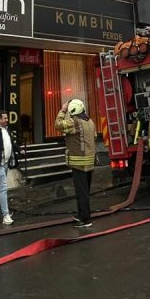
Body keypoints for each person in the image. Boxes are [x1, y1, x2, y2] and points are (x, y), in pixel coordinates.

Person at [55, 98, 96, 229]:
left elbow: (58, 125)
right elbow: (93, 137)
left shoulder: (75, 122)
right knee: (85, 191)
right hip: (89, 162)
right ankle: (82, 214)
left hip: (79, 163)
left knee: (81, 193)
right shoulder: (89, 121)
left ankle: (85, 219)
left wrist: (62, 110)